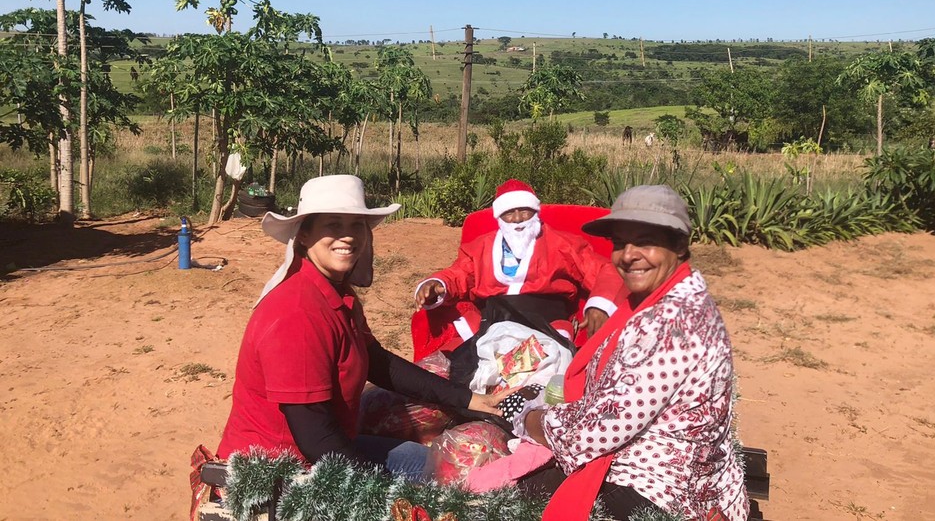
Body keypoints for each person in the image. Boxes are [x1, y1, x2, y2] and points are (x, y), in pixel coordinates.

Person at [216, 175, 509, 481]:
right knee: (440, 479)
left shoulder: (334, 294)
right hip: (283, 472)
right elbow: (314, 438)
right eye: (333, 224)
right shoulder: (297, 313)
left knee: (432, 463)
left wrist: (466, 398)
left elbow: (379, 362)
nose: (348, 236)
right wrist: (383, 490)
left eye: (356, 225)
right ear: (303, 235)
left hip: (329, 448)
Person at [511, 185, 749, 521]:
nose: (628, 255)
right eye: (620, 243)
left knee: (510, 490)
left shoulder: (674, 323)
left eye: (645, 242)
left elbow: (603, 428)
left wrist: (529, 418)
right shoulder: (658, 300)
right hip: (657, 458)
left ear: (679, 245)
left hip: (661, 488)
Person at [411, 179, 624, 360]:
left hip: (547, 324)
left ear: (535, 212)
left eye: (524, 210)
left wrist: (600, 305)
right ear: (499, 217)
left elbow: (605, 269)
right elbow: (458, 274)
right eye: (509, 213)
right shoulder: (480, 247)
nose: (518, 219)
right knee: (464, 367)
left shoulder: (562, 244)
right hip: (493, 322)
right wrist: (438, 284)